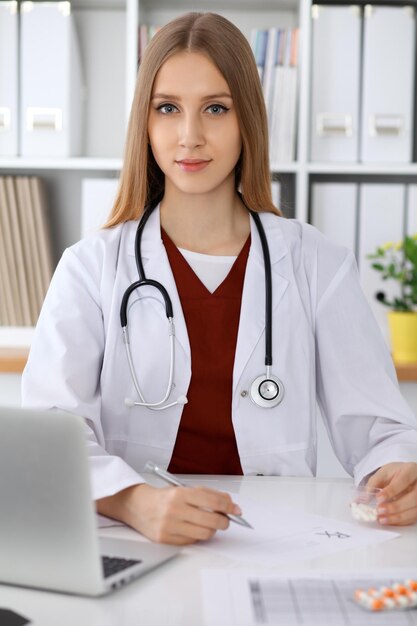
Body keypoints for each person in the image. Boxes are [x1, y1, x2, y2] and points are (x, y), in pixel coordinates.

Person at [22, 12, 417, 544]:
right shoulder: (91, 268)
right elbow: (52, 433)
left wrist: (395, 472)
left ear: (246, 120)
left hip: (278, 540)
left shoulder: (315, 263)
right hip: (138, 537)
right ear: (145, 121)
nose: (190, 136)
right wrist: (135, 502)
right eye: (168, 109)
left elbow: (381, 430)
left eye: (215, 108)